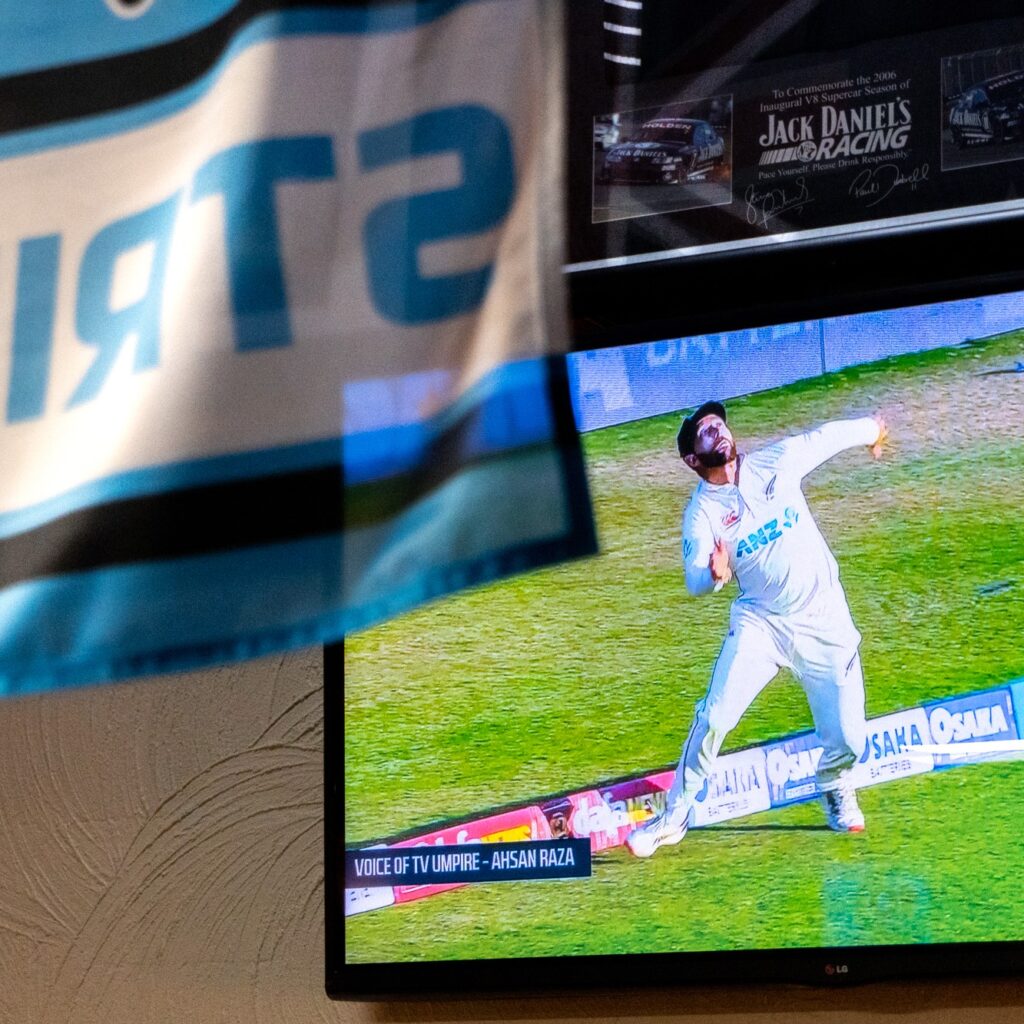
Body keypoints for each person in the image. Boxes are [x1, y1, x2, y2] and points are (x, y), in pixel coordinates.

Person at [626, 401, 888, 858]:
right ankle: (674, 814)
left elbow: (822, 438)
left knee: (849, 737)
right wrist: (714, 574)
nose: (717, 432)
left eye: (718, 425)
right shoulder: (701, 512)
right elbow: (694, 579)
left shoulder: (775, 462)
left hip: (824, 615)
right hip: (761, 624)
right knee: (714, 716)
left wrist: (871, 430)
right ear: (692, 459)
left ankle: (834, 783)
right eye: (705, 433)